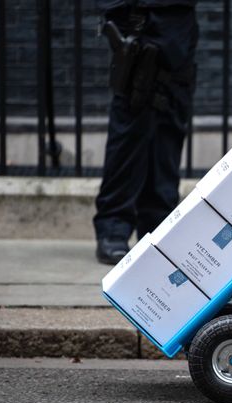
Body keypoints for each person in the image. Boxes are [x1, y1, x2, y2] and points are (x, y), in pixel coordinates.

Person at [94, 0, 198, 264]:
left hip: (178, 15)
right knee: (132, 118)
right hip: (140, 13)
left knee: (170, 120)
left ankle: (158, 229)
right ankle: (113, 228)